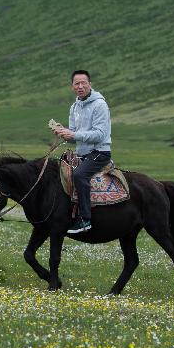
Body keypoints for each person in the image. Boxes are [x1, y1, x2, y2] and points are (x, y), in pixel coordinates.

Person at [51, 70, 112, 234]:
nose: (80, 86)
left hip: (100, 152)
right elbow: (74, 136)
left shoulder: (100, 105)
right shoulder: (74, 106)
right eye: (76, 83)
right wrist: (63, 132)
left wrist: (74, 134)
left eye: (83, 82)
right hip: (82, 153)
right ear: (72, 87)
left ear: (89, 84)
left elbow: (100, 134)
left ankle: (85, 219)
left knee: (79, 175)